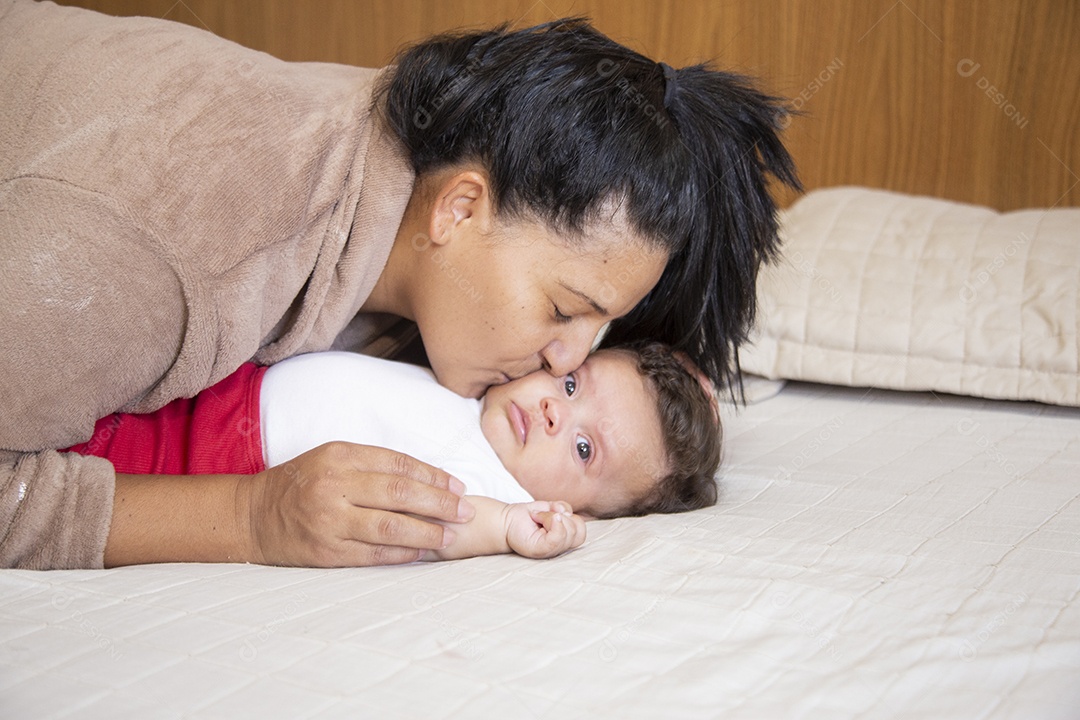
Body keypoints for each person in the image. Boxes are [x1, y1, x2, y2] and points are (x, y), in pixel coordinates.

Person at [0, 1, 798, 569]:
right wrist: (252, 517)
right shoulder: (173, 250)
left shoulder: (432, 196)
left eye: (600, 333)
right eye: (563, 311)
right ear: (461, 209)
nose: (564, 362)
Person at [64, 343, 722, 562]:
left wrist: (508, 527)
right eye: (573, 384)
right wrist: (685, 379)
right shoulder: (480, 377)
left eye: (583, 447)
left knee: (74, 455)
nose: (555, 409)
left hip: (214, 461)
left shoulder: (497, 487)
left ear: (581, 511)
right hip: (224, 388)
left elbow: (447, 522)